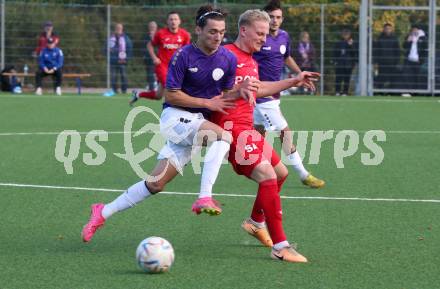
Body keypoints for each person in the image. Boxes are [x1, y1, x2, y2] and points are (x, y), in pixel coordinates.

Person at [82, 5, 252, 243]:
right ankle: (204, 197)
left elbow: (222, 97)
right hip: (175, 118)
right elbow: (170, 95)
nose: (218, 37)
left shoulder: (227, 59)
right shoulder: (183, 56)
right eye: (212, 31)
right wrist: (207, 102)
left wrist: (237, 92)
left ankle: (103, 211)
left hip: (195, 125)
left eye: (222, 32)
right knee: (223, 137)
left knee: (156, 183)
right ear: (198, 30)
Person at [207, 9, 319, 263]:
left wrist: (293, 80)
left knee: (281, 173)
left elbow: (260, 90)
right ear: (243, 30)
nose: (264, 39)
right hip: (231, 130)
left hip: (247, 129)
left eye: (267, 34)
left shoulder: (252, 61)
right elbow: (208, 96)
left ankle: (255, 222)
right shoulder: (223, 56)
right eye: (259, 33)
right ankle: (281, 246)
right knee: (267, 175)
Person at [252, 0, 325, 189]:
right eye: (271, 17)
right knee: (285, 133)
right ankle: (303, 174)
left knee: (257, 134)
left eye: (278, 17)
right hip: (261, 95)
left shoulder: (284, 37)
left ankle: (255, 166)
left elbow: (286, 57)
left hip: (274, 96)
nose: (275, 21)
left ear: (282, 19)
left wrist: (300, 74)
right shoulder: (257, 38)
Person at [130, 12, 191, 104]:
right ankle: (171, 111)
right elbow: (150, 45)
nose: (173, 21)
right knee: (171, 87)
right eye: (171, 19)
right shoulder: (161, 33)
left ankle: (138, 94)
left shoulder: (185, 35)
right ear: (167, 21)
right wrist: (154, 58)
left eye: (175, 19)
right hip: (162, 66)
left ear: (179, 21)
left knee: (158, 95)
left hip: (176, 68)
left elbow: (187, 51)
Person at [104, 23, 133, 97]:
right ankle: (114, 90)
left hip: (123, 61)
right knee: (113, 76)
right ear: (115, 29)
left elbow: (129, 49)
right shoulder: (110, 38)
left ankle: (124, 90)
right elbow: (105, 49)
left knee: (123, 75)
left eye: (120, 28)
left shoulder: (126, 38)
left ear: (122, 29)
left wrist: (126, 59)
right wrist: (107, 57)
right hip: (113, 61)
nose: (118, 29)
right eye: (117, 28)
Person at [402, 25, 428, 96]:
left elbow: (425, 50)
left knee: (417, 77)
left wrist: (421, 60)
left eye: (415, 30)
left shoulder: (422, 38)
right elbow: (404, 46)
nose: (414, 31)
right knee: (407, 76)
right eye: (413, 30)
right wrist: (408, 40)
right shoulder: (409, 37)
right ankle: (409, 92)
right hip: (409, 60)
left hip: (417, 61)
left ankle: (416, 93)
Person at [373, 23, 400, 89]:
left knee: (392, 78)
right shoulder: (380, 38)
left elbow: (397, 51)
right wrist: (376, 61)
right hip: (382, 63)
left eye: (389, 29)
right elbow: (377, 51)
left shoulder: (395, 38)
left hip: (392, 63)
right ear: (384, 29)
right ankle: (379, 92)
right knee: (381, 78)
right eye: (386, 29)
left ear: (391, 29)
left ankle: (392, 92)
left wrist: (396, 62)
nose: (387, 30)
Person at [333, 28, 357, 96]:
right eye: (344, 34)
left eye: (347, 34)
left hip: (348, 64)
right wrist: (335, 61)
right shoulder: (338, 43)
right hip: (340, 63)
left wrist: (351, 45)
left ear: (349, 35)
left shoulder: (352, 42)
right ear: (342, 35)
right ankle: (337, 91)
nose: (345, 36)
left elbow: (354, 53)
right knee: (338, 78)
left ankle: (345, 92)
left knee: (347, 79)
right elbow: (335, 53)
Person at [144, 21, 158, 91]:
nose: (152, 28)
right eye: (151, 27)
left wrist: (153, 38)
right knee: (149, 74)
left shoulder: (159, 36)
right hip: (148, 59)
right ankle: (151, 88)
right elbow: (144, 46)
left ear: (156, 28)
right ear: (148, 28)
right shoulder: (145, 36)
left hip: (157, 58)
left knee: (158, 74)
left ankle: (157, 87)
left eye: (153, 27)